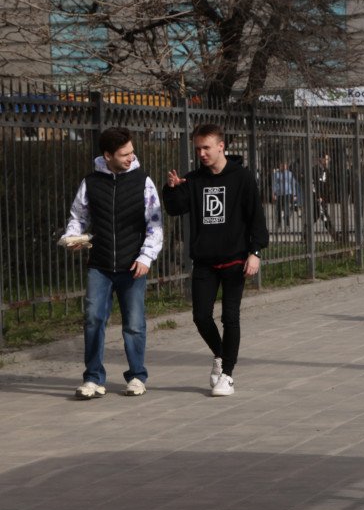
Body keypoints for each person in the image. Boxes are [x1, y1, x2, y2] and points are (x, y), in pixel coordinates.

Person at [163, 123, 268, 396]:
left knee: (230, 317)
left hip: (235, 259)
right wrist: (171, 189)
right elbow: (175, 209)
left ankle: (228, 375)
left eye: (206, 147)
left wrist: (255, 252)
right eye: (198, 148)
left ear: (221, 146)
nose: (202, 153)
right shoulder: (194, 179)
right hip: (205, 260)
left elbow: (256, 217)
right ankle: (221, 355)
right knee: (200, 317)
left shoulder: (242, 178)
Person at [61, 126, 163, 399]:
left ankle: (137, 376)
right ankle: (93, 379)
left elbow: (155, 225)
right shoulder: (91, 183)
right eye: (124, 154)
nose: (131, 157)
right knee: (93, 319)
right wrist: (73, 237)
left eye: (132, 152)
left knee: (134, 323)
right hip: (100, 264)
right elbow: (78, 216)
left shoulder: (143, 181)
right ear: (107, 155)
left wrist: (146, 257)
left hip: (133, 265)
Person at [271, 161, 297, 229]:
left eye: (284, 165)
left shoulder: (290, 174)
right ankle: (278, 223)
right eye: (281, 165)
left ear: (286, 166)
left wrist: (294, 194)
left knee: (286, 209)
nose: (282, 166)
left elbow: (293, 184)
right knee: (278, 209)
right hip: (279, 194)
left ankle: (287, 224)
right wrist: (273, 193)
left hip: (288, 193)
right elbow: (274, 184)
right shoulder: (276, 174)